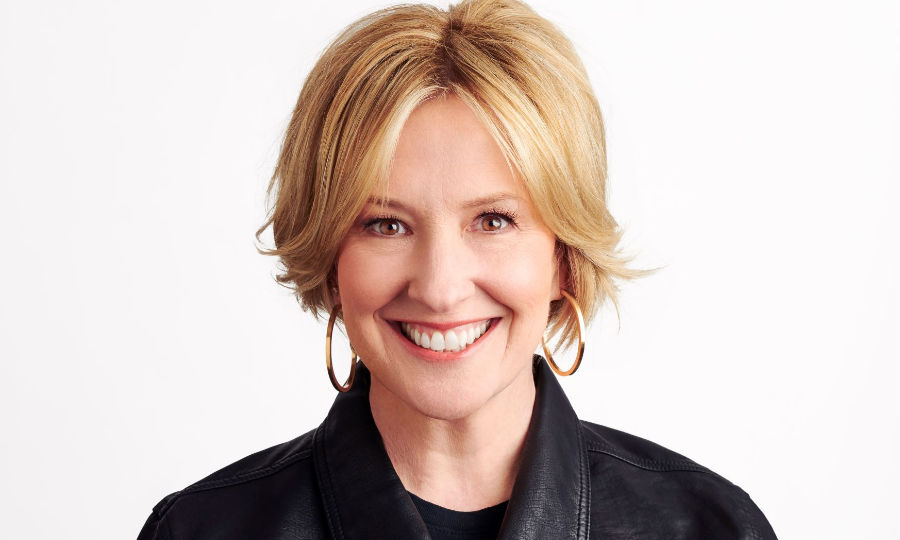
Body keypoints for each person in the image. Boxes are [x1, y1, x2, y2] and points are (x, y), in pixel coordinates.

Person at [138, 0, 776, 538]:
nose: (440, 289)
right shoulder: (199, 531)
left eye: (493, 221)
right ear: (332, 264)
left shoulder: (711, 528)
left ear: (564, 257)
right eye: (385, 225)